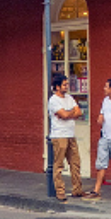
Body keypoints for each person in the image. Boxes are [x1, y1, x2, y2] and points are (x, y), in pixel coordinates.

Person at [47, 72, 83, 201]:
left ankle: (77, 189)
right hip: (59, 135)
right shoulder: (53, 100)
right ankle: (60, 192)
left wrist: (69, 113)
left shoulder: (69, 98)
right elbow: (64, 115)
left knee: (75, 163)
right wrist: (69, 113)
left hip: (70, 134)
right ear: (57, 87)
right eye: (64, 84)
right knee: (59, 165)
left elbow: (78, 112)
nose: (67, 86)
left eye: (67, 84)